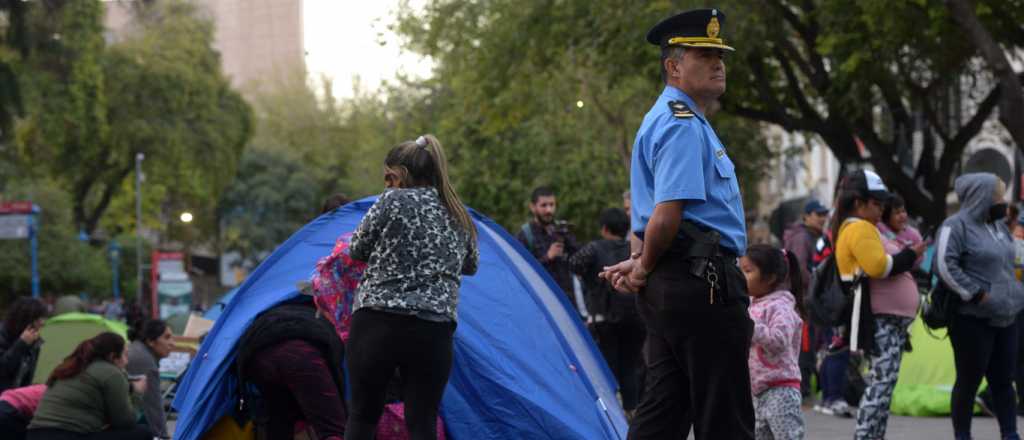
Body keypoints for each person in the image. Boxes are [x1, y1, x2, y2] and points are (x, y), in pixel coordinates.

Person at [601, 8, 754, 439]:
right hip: (701, 280)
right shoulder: (682, 124)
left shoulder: (665, 119)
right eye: (703, 55)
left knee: (664, 412)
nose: (718, 63)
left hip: (675, 281)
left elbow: (646, 217)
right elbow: (667, 213)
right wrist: (644, 266)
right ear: (673, 66)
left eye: (719, 55)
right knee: (724, 416)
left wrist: (640, 263)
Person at [344, 134, 478, 440]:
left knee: (363, 416)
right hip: (433, 329)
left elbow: (357, 248)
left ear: (401, 175)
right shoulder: (457, 212)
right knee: (423, 422)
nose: (387, 184)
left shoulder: (391, 200)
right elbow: (470, 265)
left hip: (377, 323)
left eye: (389, 177)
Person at [935, 173, 1024, 440]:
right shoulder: (956, 226)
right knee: (969, 382)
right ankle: (963, 435)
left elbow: (1012, 262)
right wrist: (976, 294)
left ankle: (1010, 434)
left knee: (1003, 382)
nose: (1003, 201)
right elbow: (944, 265)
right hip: (972, 320)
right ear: (981, 197)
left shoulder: (998, 227)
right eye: (998, 196)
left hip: (1006, 318)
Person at [853, 193, 923, 439]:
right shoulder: (872, 235)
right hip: (883, 318)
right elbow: (881, 267)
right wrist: (909, 254)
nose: (902, 216)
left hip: (897, 322)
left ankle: (875, 435)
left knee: (887, 382)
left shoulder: (897, 237)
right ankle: (863, 435)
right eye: (894, 211)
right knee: (880, 382)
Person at [235, 299, 347, 440]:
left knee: (280, 422)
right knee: (333, 429)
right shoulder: (330, 319)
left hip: (256, 356)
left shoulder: (280, 307)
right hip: (300, 354)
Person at [569, 208, 644, 416]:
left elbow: (574, 264)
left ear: (604, 229)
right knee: (630, 367)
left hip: (604, 319)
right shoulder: (635, 249)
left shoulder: (594, 248)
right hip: (636, 317)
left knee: (606, 369)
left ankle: (611, 417)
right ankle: (632, 415)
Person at [27, 332, 151, 440]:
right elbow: (125, 422)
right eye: (125, 355)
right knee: (142, 433)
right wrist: (137, 392)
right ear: (112, 356)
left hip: (34, 434)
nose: (127, 361)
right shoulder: (111, 372)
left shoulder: (70, 366)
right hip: (68, 436)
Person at [741, 244, 806, 440]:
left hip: (781, 389)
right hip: (757, 391)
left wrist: (749, 326)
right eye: (740, 270)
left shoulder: (781, 306)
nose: (741, 276)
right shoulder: (750, 304)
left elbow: (779, 340)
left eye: (748, 271)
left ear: (769, 278)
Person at [783, 200, 829, 399]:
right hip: (802, 299)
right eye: (818, 215)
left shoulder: (813, 236)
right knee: (805, 344)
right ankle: (802, 390)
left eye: (824, 215)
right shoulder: (802, 237)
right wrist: (819, 285)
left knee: (807, 343)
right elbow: (799, 270)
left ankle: (804, 387)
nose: (822, 219)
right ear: (807, 216)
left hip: (806, 298)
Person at [516, 186, 579, 301]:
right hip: (542, 300)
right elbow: (522, 271)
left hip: (567, 297)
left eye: (552, 205)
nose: (549, 210)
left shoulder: (562, 228)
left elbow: (578, 259)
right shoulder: (525, 235)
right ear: (533, 207)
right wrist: (548, 257)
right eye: (544, 205)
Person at [125, 319, 175, 439]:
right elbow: (153, 405)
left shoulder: (137, 349)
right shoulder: (143, 359)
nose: (173, 343)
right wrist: (163, 436)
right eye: (167, 337)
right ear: (151, 341)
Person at [0, 298, 47, 393]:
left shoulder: (35, 340)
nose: (42, 323)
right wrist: (21, 344)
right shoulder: (3, 335)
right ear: (26, 319)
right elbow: (3, 370)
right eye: (38, 319)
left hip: (19, 396)